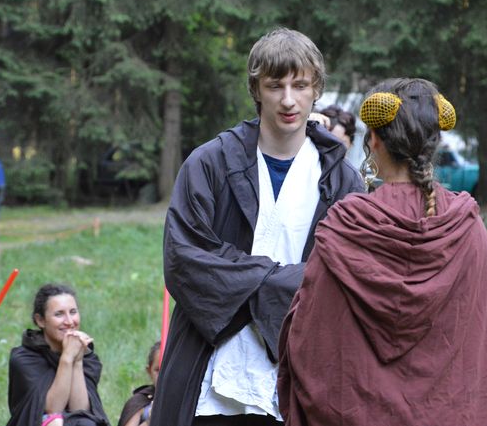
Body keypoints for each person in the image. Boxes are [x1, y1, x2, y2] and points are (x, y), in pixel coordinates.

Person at [149, 27, 364, 426]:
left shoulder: (342, 182)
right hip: (210, 378)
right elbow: (184, 261)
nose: (288, 99)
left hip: (300, 377)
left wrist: (246, 279)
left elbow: (348, 278)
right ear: (256, 89)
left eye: (300, 85)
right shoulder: (209, 164)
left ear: (316, 89)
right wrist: (286, 280)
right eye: (275, 85)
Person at [277, 77, 487, 426]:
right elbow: (478, 349)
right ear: (434, 143)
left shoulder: (346, 228)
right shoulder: (469, 229)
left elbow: (309, 340)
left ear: (374, 139)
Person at [6, 284, 110, 426]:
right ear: (40, 320)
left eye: (73, 312)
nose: (69, 322)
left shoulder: (88, 356)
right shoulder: (24, 359)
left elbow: (80, 410)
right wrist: (67, 358)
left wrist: (77, 361)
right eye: (59, 314)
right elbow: (52, 410)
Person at [117, 341, 160, 426]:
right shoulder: (140, 401)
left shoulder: (186, 399)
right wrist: (150, 420)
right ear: (149, 371)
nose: (163, 376)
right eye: (158, 370)